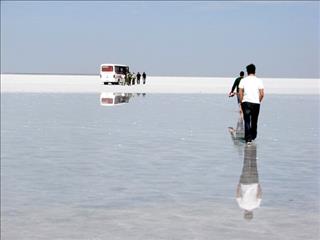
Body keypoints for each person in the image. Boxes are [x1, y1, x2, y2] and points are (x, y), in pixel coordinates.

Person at [239, 64, 264, 144]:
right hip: (256, 103)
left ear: (247, 71)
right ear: (255, 71)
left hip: (246, 102)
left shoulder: (243, 80)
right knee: (254, 120)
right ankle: (253, 136)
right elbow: (262, 93)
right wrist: (258, 101)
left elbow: (240, 92)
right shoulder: (259, 80)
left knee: (247, 120)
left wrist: (242, 101)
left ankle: (248, 139)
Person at [236, 144, 262, 221]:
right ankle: (248, 148)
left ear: (252, 214)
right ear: (244, 213)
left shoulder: (256, 205)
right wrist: (238, 184)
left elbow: (259, 195)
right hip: (244, 183)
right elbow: (238, 194)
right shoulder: (241, 205)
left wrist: (259, 185)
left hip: (254, 183)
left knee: (254, 163)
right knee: (246, 164)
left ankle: (253, 148)